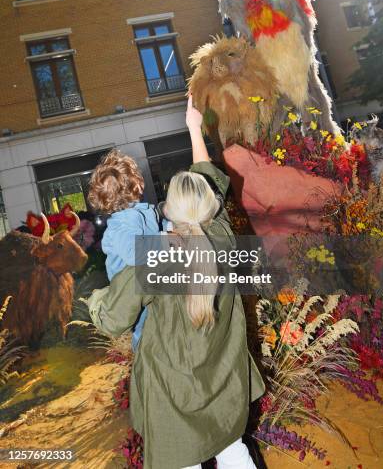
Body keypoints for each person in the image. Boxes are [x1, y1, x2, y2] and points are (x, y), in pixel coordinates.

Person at [87, 96, 265, 469]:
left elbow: (112, 319)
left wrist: (97, 295)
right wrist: (193, 127)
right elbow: (210, 180)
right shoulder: (222, 237)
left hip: (173, 392)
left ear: (168, 210)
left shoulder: (153, 259)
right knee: (233, 450)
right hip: (223, 377)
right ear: (208, 210)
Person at [88, 149, 160, 350]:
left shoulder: (135, 214)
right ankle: (145, 360)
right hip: (132, 294)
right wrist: (167, 239)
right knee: (145, 331)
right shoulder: (122, 224)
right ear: (137, 184)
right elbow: (136, 253)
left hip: (144, 287)